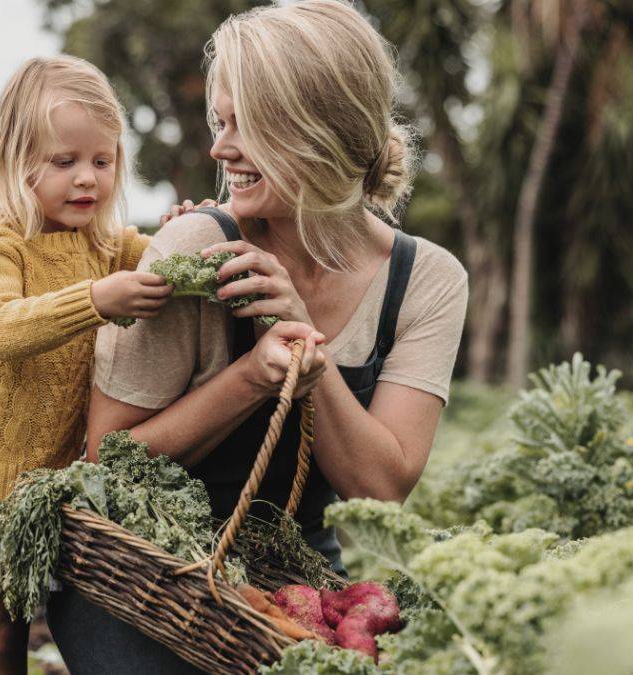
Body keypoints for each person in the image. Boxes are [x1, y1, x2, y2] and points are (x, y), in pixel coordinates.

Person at [47, 1, 469, 672]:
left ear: (318, 129)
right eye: (221, 121)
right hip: (143, 578)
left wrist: (301, 338)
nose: (220, 148)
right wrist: (251, 377)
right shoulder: (197, 249)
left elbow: (378, 489)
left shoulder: (425, 281)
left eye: (246, 125)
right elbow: (107, 463)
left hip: (291, 581)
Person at [0, 55, 172, 674]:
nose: (87, 181)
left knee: (8, 640)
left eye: (102, 161)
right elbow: (1, 328)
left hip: (27, 491)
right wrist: (98, 299)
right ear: (16, 164)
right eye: (64, 162)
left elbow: (168, 259)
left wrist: (188, 229)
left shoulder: (108, 244)